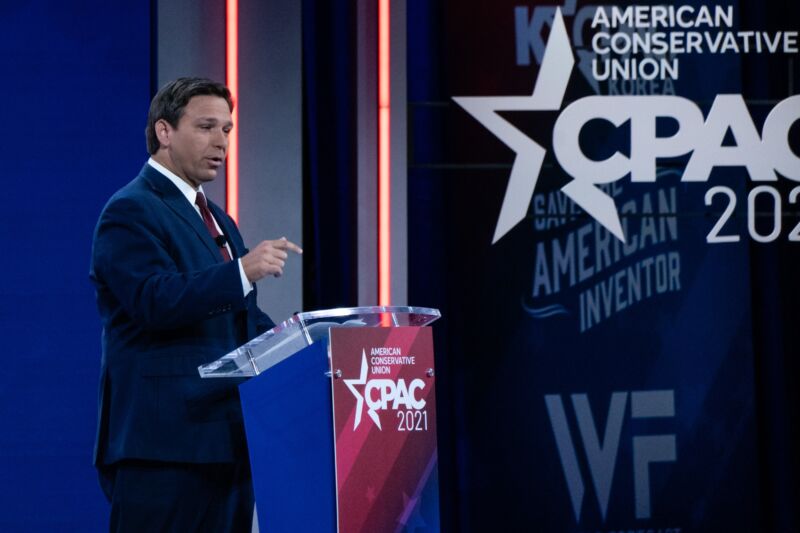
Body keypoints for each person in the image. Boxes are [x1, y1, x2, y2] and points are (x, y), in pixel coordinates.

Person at [90, 77, 301, 532]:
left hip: (226, 444)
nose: (221, 141)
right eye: (206, 126)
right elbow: (154, 300)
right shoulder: (130, 210)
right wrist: (241, 271)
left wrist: (304, 345)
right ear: (164, 132)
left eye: (226, 129)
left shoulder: (218, 219)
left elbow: (240, 320)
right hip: (162, 448)